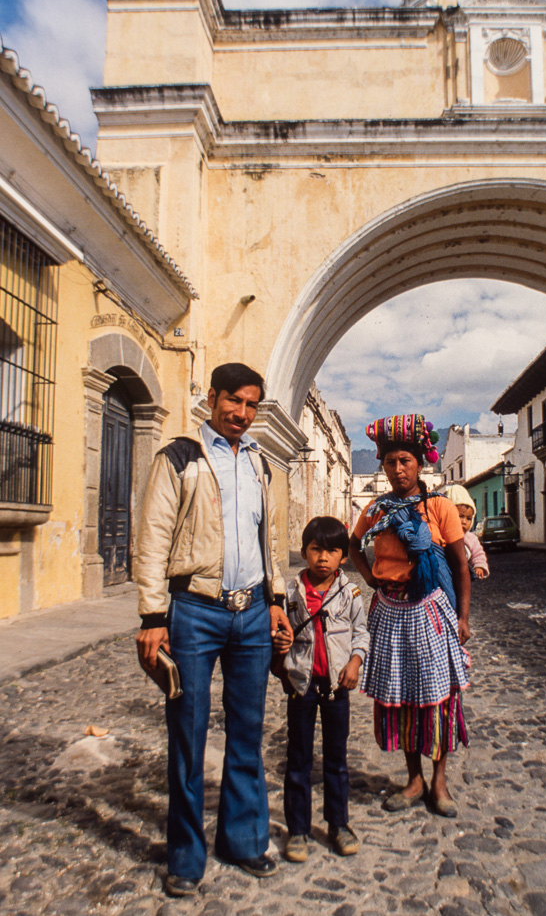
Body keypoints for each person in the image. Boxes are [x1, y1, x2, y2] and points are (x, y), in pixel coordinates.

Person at [134, 362, 293, 898]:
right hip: (193, 612)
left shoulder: (264, 467)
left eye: (252, 405)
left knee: (247, 732)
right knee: (188, 733)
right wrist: (153, 616)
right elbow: (153, 537)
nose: (243, 414)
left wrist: (276, 602)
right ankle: (185, 854)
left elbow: (272, 544)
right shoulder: (180, 458)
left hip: (251, 616)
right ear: (212, 398)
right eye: (235, 402)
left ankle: (244, 840)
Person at [349, 414, 470, 818]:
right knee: (400, 697)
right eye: (390, 463)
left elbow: (459, 565)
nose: (398, 469)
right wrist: (370, 579)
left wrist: (464, 617)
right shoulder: (376, 509)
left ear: (420, 463)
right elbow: (353, 545)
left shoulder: (440, 508)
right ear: (382, 467)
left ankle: (439, 782)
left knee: (436, 698)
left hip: (430, 612)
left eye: (405, 461)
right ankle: (413, 778)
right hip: (389, 610)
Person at [272, 516, 369, 863]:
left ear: (343, 557)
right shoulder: (289, 593)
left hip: (335, 689)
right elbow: (278, 633)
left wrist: (355, 662)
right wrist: (280, 643)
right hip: (301, 685)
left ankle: (338, 824)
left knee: (336, 758)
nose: (323, 557)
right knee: (298, 758)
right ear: (304, 552)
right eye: (316, 549)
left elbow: (361, 633)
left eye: (332, 550)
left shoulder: (350, 593)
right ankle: (298, 829)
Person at [443, 484, 489, 579]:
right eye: (460, 516)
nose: (464, 522)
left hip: (461, 576)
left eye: (468, 518)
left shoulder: (471, 538)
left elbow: (478, 553)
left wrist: (479, 565)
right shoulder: (443, 534)